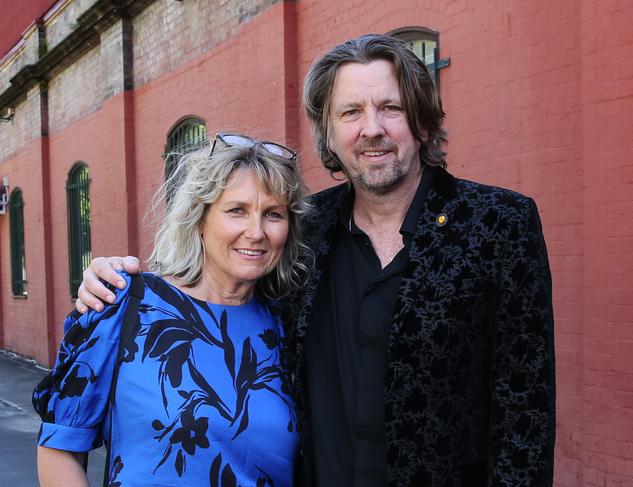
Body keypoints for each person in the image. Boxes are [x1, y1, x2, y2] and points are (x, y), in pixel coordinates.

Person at [74, 34, 556, 486]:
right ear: (329, 132)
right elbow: (221, 285)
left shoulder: (499, 224)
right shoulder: (304, 228)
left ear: (423, 120)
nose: (372, 129)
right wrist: (111, 278)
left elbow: (524, 413)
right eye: (350, 112)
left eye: (390, 107)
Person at [33, 133, 310, 486]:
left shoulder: (288, 326)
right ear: (200, 218)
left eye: (273, 214)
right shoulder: (124, 306)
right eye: (236, 210)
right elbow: (60, 447)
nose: (255, 232)